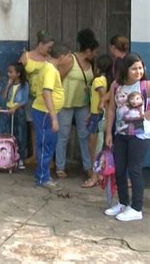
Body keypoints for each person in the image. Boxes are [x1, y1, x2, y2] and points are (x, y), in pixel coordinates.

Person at [104, 53, 150, 221]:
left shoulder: (145, 85)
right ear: (125, 69)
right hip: (120, 134)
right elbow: (111, 110)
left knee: (135, 169)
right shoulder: (116, 86)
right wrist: (109, 132)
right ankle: (123, 203)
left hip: (140, 135)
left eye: (140, 67)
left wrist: (147, 115)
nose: (138, 71)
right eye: (134, 68)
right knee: (120, 170)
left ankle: (136, 208)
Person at [55, 29, 99, 179]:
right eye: (94, 51)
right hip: (66, 103)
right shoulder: (70, 60)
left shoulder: (91, 63)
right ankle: (60, 166)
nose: (96, 54)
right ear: (88, 50)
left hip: (83, 104)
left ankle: (88, 167)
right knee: (63, 135)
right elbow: (57, 78)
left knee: (85, 134)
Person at [32, 43, 70, 190]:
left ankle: (44, 175)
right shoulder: (50, 70)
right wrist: (54, 118)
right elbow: (47, 93)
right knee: (45, 144)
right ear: (61, 57)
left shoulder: (50, 68)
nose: (69, 59)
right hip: (45, 113)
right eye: (68, 56)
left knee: (48, 144)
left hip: (47, 112)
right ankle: (42, 178)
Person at [19, 30, 54, 165]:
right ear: (40, 44)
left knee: (46, 127)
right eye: (48, 47)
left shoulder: (50, 59)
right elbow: (19, 72)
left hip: (45, 98)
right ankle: (35, 155)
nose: (49, 50)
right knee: (33, 126)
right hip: (30, 97)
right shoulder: (26, 56)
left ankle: (47, 158)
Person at [82, 54, 113, 188]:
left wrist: (103, 114)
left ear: (98, 67)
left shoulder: (98, 80)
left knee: (94, 149)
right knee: (98, 148)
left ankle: (94, 177)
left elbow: (103, 99)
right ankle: (100, 175)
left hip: (99, 117)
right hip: (96, 115)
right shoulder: (106, 80)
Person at [1, 62, 30, 169]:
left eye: (11, 72)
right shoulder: (10, 84)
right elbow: (4, 97)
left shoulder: (24, 85)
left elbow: (25, 100)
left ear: (18, 73)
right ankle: (9, 157)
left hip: (19, 111)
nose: (9, 74)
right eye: (8, 72)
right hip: (8, 111)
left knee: (20, 135)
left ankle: (21, 158)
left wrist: (15, 107)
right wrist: (8, 85)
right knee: (9, 133)